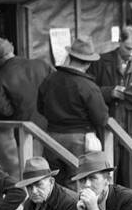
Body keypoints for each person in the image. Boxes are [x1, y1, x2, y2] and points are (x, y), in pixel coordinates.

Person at [91, 26, 132, 193]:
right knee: (106, 169)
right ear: (119, 42)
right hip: (108, 123)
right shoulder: (100, 62)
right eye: (128, 48)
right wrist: (109, 92)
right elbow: (88, 92)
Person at [35, 38, 108, 181]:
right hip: (79, 139)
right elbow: (101, 118)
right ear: (88, 63)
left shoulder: (50, 79)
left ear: (70, 57)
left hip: (52, 137)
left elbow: (40, 108)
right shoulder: (88, 86)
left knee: (55, 182)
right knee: (80, 181)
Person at [0, 37, 51, 175]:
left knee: (33, 170)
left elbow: (5, 110)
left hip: (26, 131)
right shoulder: (41, 64)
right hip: (53, 126)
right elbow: (58, 87)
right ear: (12, 48)